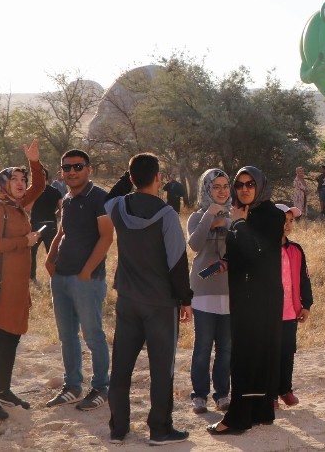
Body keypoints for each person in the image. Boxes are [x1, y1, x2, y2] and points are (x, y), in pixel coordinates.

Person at [106, 153, 192, 446]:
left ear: (131, 179)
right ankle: (160, 429)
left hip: (127, 300)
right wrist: (185, 299)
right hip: (160, 303)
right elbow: (177, 262)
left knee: (120, 366)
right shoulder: (167, 214)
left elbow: (110, 196)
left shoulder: (117, 207)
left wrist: (127, 177)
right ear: (158, 178)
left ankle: (118, 429)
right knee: (161, 367)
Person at [207, 167, 284, 436]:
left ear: (260, 185)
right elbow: (240, 252)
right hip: (245, 293)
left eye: (250, 184)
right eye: (239, 184)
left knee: (245, 356)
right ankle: (260, 411)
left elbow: (255, 251)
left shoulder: (272, 215)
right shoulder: (243, 212)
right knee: (255, 354)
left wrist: (238, 224)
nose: (244, 189)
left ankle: (237, 418)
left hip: (260, 297)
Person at [45, 149, 113, 411]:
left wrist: (86, 271)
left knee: (93, 335)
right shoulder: (67, 199)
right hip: (61, 277)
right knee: (67, 336)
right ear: (61, 172)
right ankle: (72, 386)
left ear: (89, 169)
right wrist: (50, 259)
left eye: (78, 166)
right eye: (67, 168)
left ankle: (101, 388)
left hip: (87, 279)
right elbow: (63, 231)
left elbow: (106, 237)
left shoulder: (100, 198)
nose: (72, 171)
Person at [0, 140, 45, 420]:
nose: (21, 183)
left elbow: (40, 186)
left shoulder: (16, 204)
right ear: (3, 183)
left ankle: (4, 390)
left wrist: (33, 161)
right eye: (15, 179)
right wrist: (26, 241)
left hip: (18, 284)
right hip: (1, 284)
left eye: (23, 179)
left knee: (13, 337)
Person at [187, 168, 233, 414]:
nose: (222, 191)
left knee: (226, 348)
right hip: (203, 290)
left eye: (225, 186)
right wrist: (209, 216)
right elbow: (194, 245)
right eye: (216, 187)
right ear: (206, 189)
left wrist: (225, 221)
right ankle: (199, 395)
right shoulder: (196, 216)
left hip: (230, 291)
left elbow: (243, 242)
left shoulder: (236, 216)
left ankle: (223, 393)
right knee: (203, 346)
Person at [274, 204, 312, 408]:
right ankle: (269, 393)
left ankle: (285, 389)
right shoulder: (264, 249)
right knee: (270, 351)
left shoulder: (296, 250)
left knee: (288, 351)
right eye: (283, 221)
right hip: (269, 313)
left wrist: (306, 304)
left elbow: (304, 279)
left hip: (290, 311)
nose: (287, 225)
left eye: (290, 221)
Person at [28, 165, 62, 281]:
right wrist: (54, 216)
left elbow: (28, 208)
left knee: (31, 253)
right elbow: (62, 209)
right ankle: (56, 278)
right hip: (51, 225)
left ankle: (32, 278)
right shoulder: (55, 191)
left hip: (36, 225)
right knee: (52, 254)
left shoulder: (34, 192)